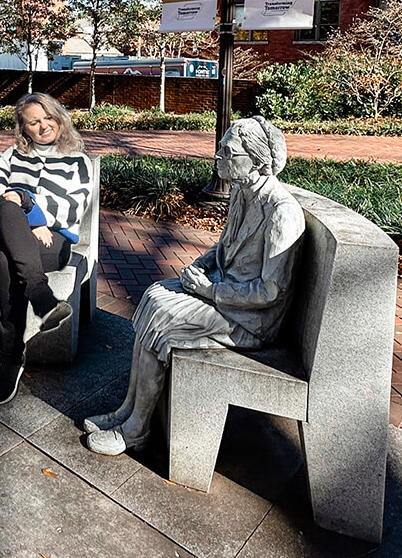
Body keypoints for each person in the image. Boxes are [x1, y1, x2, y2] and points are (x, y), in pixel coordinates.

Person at [83, 116, 304, 456]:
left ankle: (137, 428)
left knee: (164, 323)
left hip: (251, 319)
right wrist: (202, 265)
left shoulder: (281, 213)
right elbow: (224, 247)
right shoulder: (243, 194)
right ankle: (128, 410)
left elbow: (269, 292)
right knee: (155, 297)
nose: (218, 155)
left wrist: (207, 290)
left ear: (257, 161)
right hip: (225, 292)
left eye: (228, 152)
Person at [0, 93, 94, 406]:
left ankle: (10, 356)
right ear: (23, 129)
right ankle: (42, 299)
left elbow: (73, 207)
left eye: (47, 118)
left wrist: (30, 208)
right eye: (33, 122)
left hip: (52, 242)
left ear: (58, 117)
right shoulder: (13, 155)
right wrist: (25, 211)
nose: (43, 126)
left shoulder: (77, 160)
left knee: (7, 256)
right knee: (8, 206)